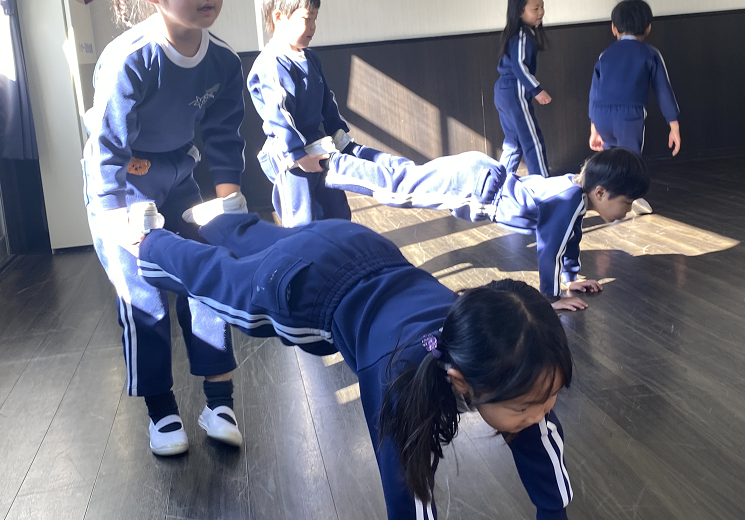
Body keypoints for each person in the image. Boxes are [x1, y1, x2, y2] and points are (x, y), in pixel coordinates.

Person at [125, 208, 575, 519]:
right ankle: (152, 241)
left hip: (357, 244)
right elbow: (408, 494)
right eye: (527, 408)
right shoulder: (400, 381)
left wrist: (552, 512)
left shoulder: (516, 364)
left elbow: (538, 436)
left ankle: (221, 218)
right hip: (308, 291)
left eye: (549, 397)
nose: (541, 413)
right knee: (222, 284)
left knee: (273, 239)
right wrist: (151, 245)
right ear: (459, 379)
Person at [82, 0, 248, 456]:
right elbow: (107, 146)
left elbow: (223, 136)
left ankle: (219, 401)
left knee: (207, 273)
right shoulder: (131, 60)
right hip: (121, 185)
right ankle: (162, 412)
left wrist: (227, 203)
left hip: (177, 172)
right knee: (144, 293)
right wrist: (117, 218)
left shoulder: (223, 61)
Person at [320, 145, 649, 309]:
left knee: (410, 174)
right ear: (600, 192)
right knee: (399, 190)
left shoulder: (574, 190)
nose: (627, 210)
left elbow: (570, 240)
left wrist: (571, 278)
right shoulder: (569, 202)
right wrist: (551, 298)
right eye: (626, 202)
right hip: (474, 187)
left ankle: (354, 150)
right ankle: (334, 163)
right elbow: (550, 251)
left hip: (480, 172)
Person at [249, 0, 354, 227]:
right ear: (279, 18)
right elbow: (278, 114)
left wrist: (339, 133)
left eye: (315, 18)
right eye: (308, 18)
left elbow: (327, 99)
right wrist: (297, 154)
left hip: (317, 141)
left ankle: (341, 246)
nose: (313, 27)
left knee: (336, 207)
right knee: (302, 217)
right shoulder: (272, 62)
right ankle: (305, 251)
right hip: (288, 151)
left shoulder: (311, 58)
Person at [588, 0, 680, 213]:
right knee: (631, 159)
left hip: (601, 114)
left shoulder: (605, 54)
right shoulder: (650, 53)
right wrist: (673, 124)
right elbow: (663, 90)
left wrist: (594, 127)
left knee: (611, 158)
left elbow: (595, 90)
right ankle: (632, 199)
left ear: (614, 28)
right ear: (648, 27)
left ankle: (607, 198)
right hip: (629, 115)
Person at [494, 0, 552, 178]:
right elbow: (519, 66)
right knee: (533, 141)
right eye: (535, 8)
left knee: (513, 143)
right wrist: (537, 90)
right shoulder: (522, 34)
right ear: (520, 12)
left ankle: (497, 183)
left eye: (542, 6)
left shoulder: (516, 34)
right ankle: (542, 184)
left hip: (503, 91)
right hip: (514, 90)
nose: (541, 12)